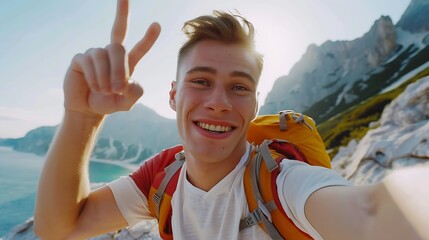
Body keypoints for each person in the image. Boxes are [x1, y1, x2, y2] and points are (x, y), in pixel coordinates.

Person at [34, 0, 429, 239]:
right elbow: (58, 228)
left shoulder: (283, 181)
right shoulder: (163, 177)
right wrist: (81, 116)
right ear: (173, 95)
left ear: (256, 104)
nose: (219, 102)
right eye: (201, 81)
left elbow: (372, 215)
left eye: (239, 87)